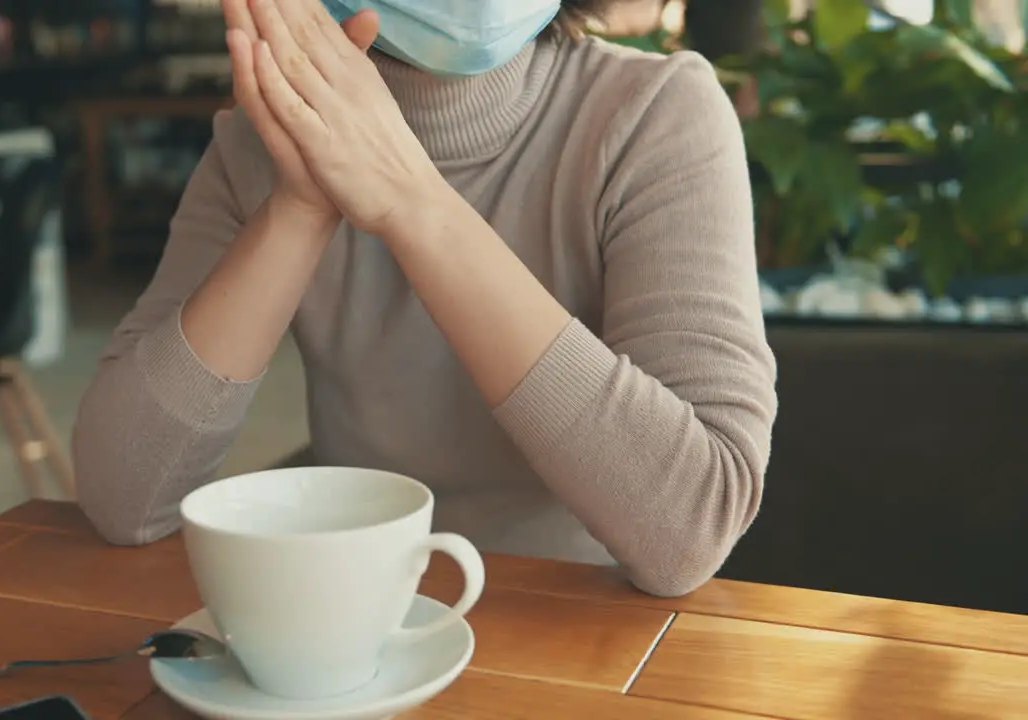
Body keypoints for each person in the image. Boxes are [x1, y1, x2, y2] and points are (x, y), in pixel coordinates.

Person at [72, 0, 778, 598]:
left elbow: (690, 527)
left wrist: (412, 203)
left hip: (580, 629)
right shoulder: (257, 148)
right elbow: (124, 499)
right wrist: (300, 204)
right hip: (360, 619)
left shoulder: (656, 114)